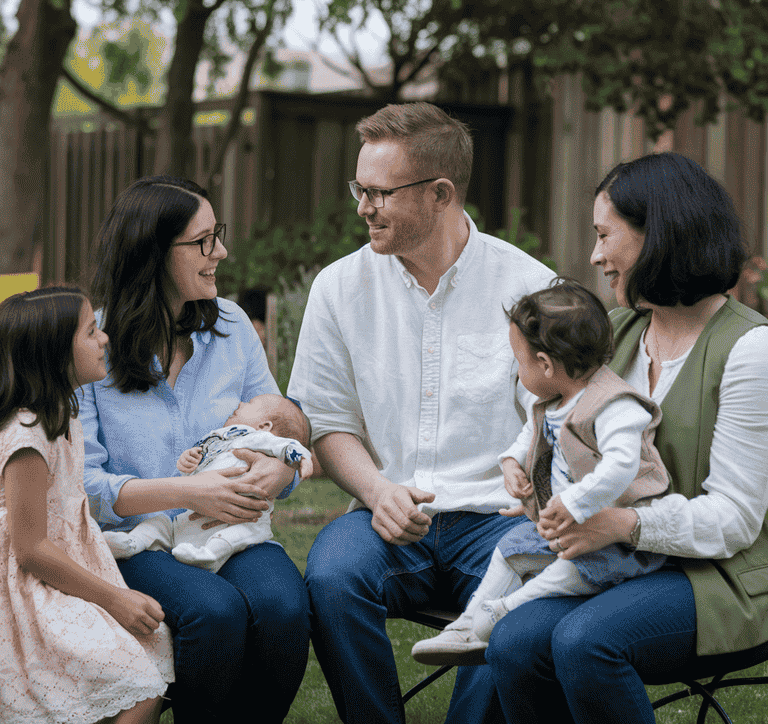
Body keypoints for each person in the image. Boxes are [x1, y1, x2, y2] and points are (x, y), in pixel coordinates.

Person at [287, 101, 555, 724]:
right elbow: (328, 421)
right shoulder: (338, 287)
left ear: (440, 193)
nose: (362, 207)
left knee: (519, 594)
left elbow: (553, 419)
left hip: (497, 519)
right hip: (386, 514)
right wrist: (377, 491)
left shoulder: (530, 287)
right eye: (359, 188)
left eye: (379, 193)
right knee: (331, 574)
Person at [485, 152, 768, 724]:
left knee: (585, 642)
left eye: (604, 235)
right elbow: (553, 429)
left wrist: (622, 524)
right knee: (514, 640)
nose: (594, 255)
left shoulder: (751, 351)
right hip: (615, 561)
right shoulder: (613, 333)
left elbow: (736, 519)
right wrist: (534, 477)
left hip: (722, 576)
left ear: (657, 234)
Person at [77, 176, 310, 724]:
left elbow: (278, 430)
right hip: (135, 541)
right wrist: (188, 491)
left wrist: (282, 472)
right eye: (204, 241)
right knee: (215, 611)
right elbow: (83, 486)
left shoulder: (230, 325)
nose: (221, 253)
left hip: (229, 532)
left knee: (284, 607)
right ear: (155, 255)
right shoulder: (92, 348)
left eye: (218, 235)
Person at [411, 278, 668, 665]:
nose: (517, 369)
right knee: (509, 550)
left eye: (519, 360)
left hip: (618, 537)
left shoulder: (614, 405)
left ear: (545, 364)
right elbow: (530, 435)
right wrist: (511, 463)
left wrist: (575, 503)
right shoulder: (554, 400)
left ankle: (502, 612)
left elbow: (621, 467)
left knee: (570, 572)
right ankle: (467, 623)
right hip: (566, 525)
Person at [0, 286, 174, 724]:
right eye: (91, 332)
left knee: (147, 655)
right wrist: (115, 598)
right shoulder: (27, 434)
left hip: (69, 570)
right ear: (54, 353)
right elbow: (31, 547)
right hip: (30, 591)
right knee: (136, 686)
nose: (105, 339)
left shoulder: (63, 411)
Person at [103, 393, 312, 573]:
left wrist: (301, 459)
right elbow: (196, 474)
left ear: (265, 426)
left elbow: (286, 446)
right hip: (191, 516)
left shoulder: (255, 438)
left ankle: (209, 556)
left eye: (249, 403)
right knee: (161, 524)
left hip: (239, 520)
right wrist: (189, 460)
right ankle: (131, 543)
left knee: (236, 536)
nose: (239, 404)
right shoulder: (219, 438)